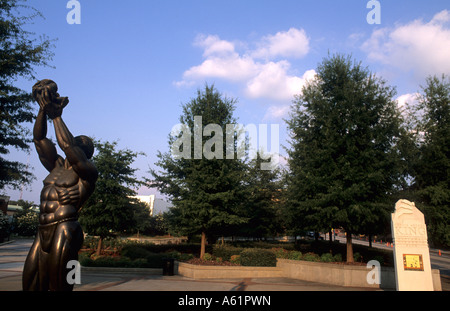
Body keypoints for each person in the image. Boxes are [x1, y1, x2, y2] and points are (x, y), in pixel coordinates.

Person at [23, 80, 98, 291]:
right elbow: (39, 139)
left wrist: (56, 116)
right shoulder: (55, 166)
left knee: (60, 284)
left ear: (85, 153)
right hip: (43, 229)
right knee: (31, 283)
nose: (73, 143)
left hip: (66, 228)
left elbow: (67, 145)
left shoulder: (87, 173)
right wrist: (42, 110)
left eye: (79, 144)